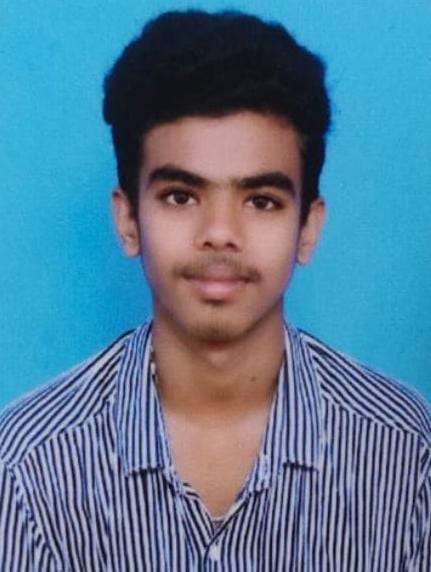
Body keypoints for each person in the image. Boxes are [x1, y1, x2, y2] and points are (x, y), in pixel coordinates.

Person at [0, 9, 430, 571]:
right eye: (181, 196)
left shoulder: (404, 451)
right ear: (128, 220)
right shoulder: (29, 467)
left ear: (308, 227)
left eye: (262, 201)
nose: (221, 232)